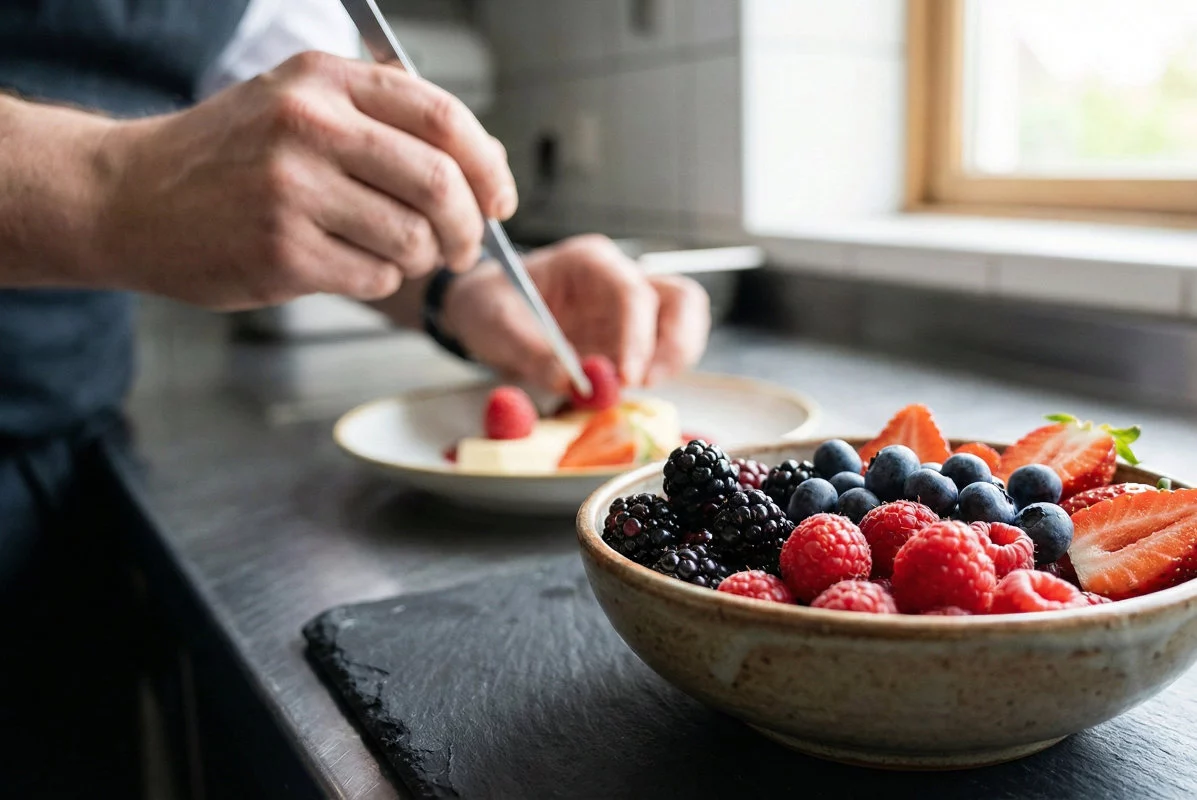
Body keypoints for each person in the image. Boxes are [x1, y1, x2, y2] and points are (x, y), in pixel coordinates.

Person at [0, 1, 710, 796]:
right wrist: (114, 186)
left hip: (68, 445)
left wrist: (469, 286)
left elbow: (319, 171)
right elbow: (158, 179)